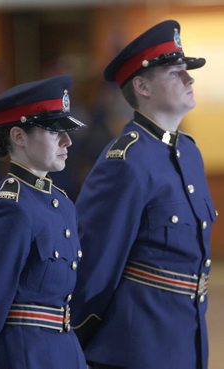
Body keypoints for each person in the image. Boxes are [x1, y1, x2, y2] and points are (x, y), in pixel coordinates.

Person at [71, 20, 217, 369]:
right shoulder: (126, 161)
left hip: (186, 341)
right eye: (175, 72)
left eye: (187, 71)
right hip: (136, 350)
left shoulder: (189, 153)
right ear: (142, 86)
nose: (189, 79)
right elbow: (95, 266)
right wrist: (79, 342)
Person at [0, 75, 87, 369]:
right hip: (25, 355)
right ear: (18, 137)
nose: (67, 140)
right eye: (54, 131)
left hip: (65, 351)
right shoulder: (11, 206)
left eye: (66, 130)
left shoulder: (61, 202)